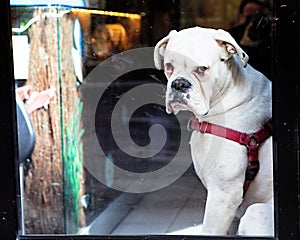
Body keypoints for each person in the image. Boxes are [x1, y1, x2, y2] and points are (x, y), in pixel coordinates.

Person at [228, 0, 273, 79]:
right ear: (241, 15)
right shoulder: (231, 35)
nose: (252, 21)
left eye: (256, 17)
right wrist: (243, 46)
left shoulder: (270, 34)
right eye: (249, 17)